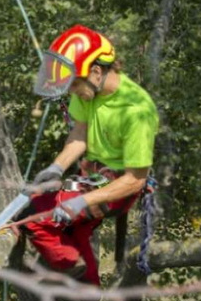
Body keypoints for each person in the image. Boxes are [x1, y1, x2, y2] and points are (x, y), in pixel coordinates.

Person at [26, 24, 159, 286]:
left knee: (35, 217)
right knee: (73, 228)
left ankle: (72, 269)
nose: (72, 91)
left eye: (74, 84)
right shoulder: (88, 92)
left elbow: (135, 180)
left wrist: (82, 202)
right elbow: (79, 135)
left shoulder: (136, 111)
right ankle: (89, 293)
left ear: (96, 72)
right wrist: (56, 167)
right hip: (92, 176)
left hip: (120, 186)